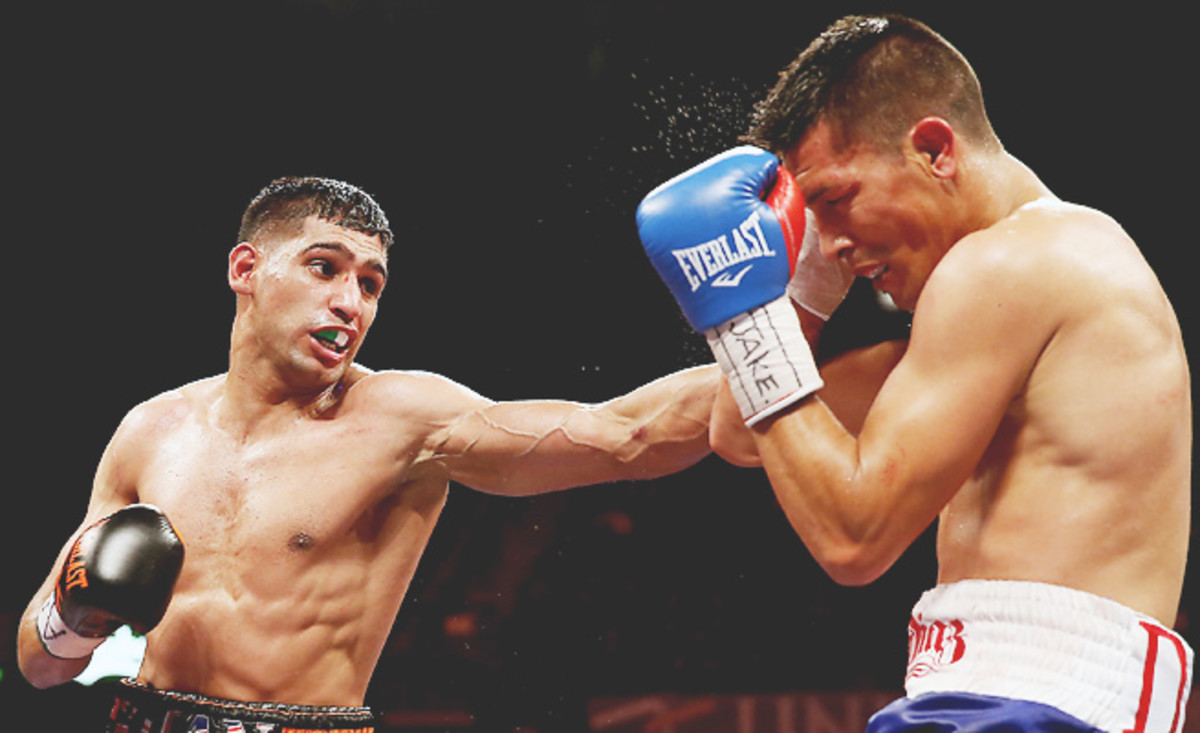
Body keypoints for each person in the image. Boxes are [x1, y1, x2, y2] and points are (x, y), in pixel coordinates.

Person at [636, 14, 1191, 733]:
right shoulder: (1024, 284)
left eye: (834, 199)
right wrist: (802, 287)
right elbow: (741, 432)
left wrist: (748, 319)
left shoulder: (1009, 263)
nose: (830, 241)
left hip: (1036, 701)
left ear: (933, 149)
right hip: (1000, 696)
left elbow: (853, 535)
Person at [18, 176, 721, 732]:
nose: (350, 302)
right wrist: (74, 619)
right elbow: (38, 665)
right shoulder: (150, 430)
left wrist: (771, 341)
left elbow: (624, 435)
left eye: (371, 284)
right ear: (246, 269)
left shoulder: (400, 420)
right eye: (325, 268)